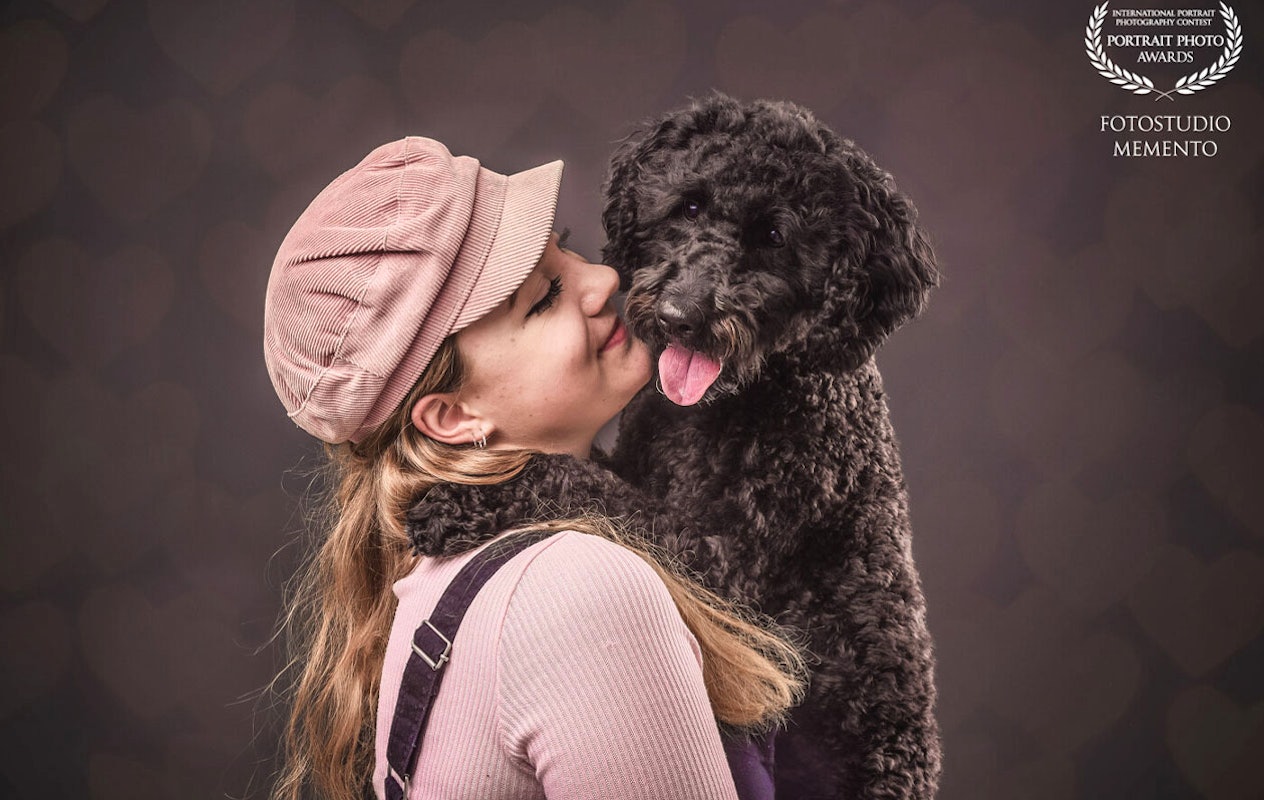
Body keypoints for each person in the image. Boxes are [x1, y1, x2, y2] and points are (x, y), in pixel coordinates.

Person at [262, 136, 804, 800]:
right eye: (544, 296)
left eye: (566, 247)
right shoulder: (576, 588)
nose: (603, 279)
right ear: (451, 417)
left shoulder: (439, 578)